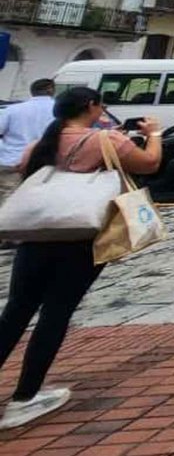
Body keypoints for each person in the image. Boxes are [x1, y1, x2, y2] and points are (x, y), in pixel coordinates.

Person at [0, 87, 161, 429]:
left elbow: (22, 170)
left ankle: (25, 394)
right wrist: (154, 135)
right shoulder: (106, 141)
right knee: (55, 313)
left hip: (35, 238)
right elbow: (150, 163)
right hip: (79, 239)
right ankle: (24, 397)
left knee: (15, 312)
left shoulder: (39, 145)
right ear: (91, 106)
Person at [0, 79, 55, 201]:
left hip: (12, 162)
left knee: (6, 201)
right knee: (35, 202)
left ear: (32, 92)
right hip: (45, 165)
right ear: (51, 90)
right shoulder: (60, 111)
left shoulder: (12, 110)